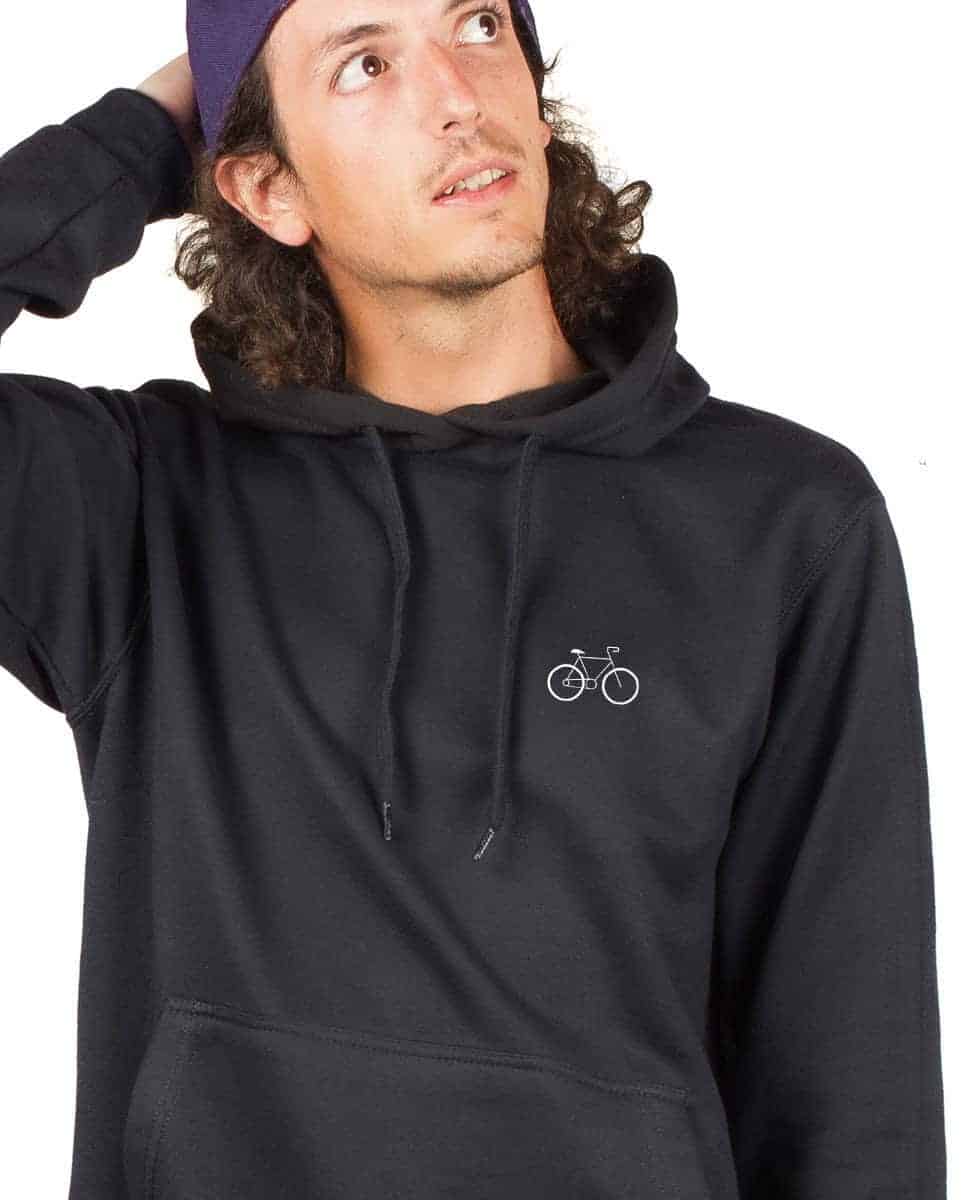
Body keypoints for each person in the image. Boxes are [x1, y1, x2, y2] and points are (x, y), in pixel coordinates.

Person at [0, 1, 947, 1196]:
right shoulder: (137, 506)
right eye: (365, 63)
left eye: (480, 24)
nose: (457, 96)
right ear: (264, 189)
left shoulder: (782, 521)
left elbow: (854, 1085)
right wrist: (138, 138)